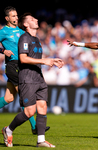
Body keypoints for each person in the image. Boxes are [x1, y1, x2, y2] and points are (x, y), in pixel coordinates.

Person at [2, 13, 64, 148]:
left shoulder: (36, 39)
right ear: (26, 24)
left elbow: (36, 58)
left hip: (39, 77)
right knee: (29, 111)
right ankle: (8, 129)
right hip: (27, 78)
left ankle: (41, 140)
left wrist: (51, 60)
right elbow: (23, 59)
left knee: (42, 107)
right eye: (32, 19)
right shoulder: (24, 38)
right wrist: (44, 61)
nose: (36, 20)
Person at [0, 6, 49, 134]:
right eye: (13, 16)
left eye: (17, 15)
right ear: (7, 18)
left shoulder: (22, 32)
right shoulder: (3, 31)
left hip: (22, 66)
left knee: (8, 98)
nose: (16, 18)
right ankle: (34, 127)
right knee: (24, 93)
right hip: (12, 66)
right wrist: (3, 50)